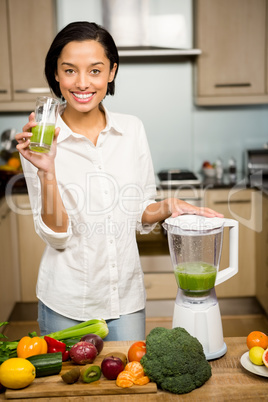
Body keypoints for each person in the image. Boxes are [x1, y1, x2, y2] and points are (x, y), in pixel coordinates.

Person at [16, 21, 223, 341]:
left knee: (129, 388)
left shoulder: (132, 129)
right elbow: (57, 237)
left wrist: (168, 205)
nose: (82, 83)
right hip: (67, 303)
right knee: (69, 392)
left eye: (95, 70)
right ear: (56, 74)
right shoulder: (40, 140)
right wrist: (47, 171)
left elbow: (139, 211)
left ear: (111, 72)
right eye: (70, 70)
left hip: (125, 299)